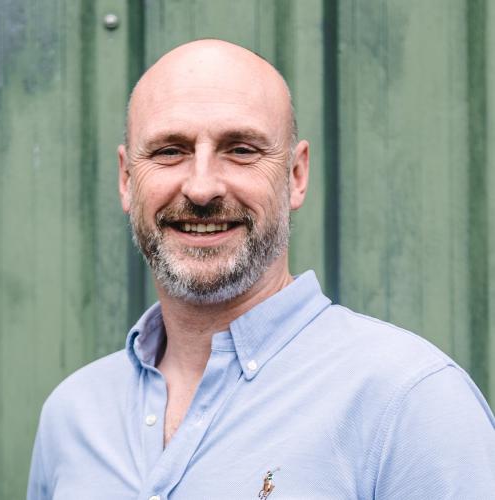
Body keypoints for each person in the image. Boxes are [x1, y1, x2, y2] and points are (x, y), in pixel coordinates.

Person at [28, 39, 495, 500]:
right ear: (127, 180)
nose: (202, 188)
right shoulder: (71, 417)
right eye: (170, 151)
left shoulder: (409, 403)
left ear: (296, 175)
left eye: (241, 149)